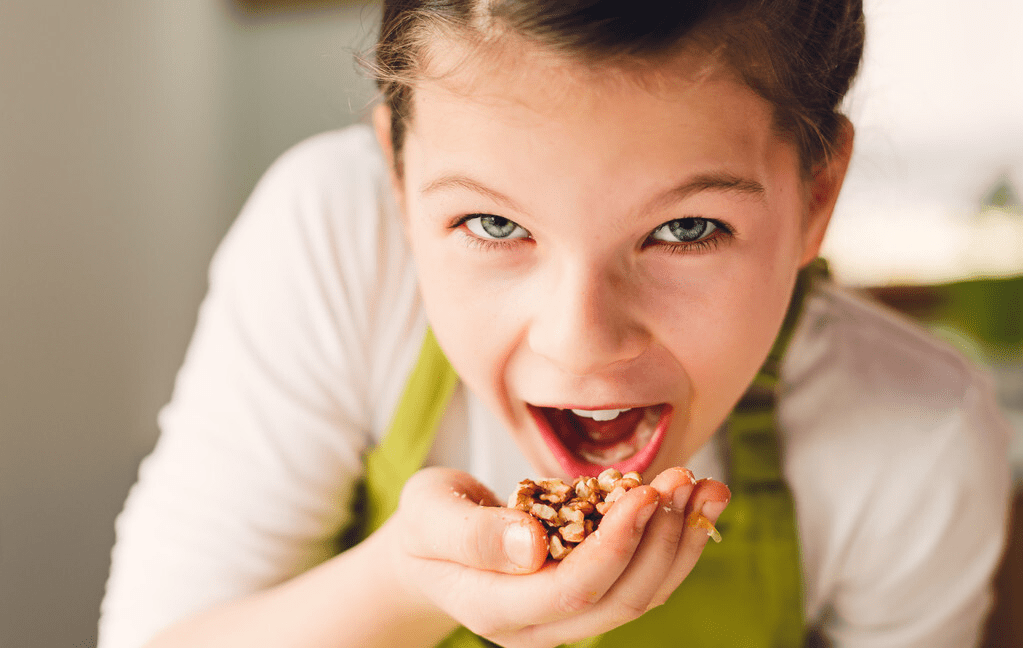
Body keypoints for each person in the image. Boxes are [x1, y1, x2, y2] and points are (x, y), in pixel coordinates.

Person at [98, 1, 1013, 646]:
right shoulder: (336, 244)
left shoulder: (916, 439)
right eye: (494, 225)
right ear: (398, 178)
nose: (579, 342)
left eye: (685, 229)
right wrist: (405, 583)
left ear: (818, 195)